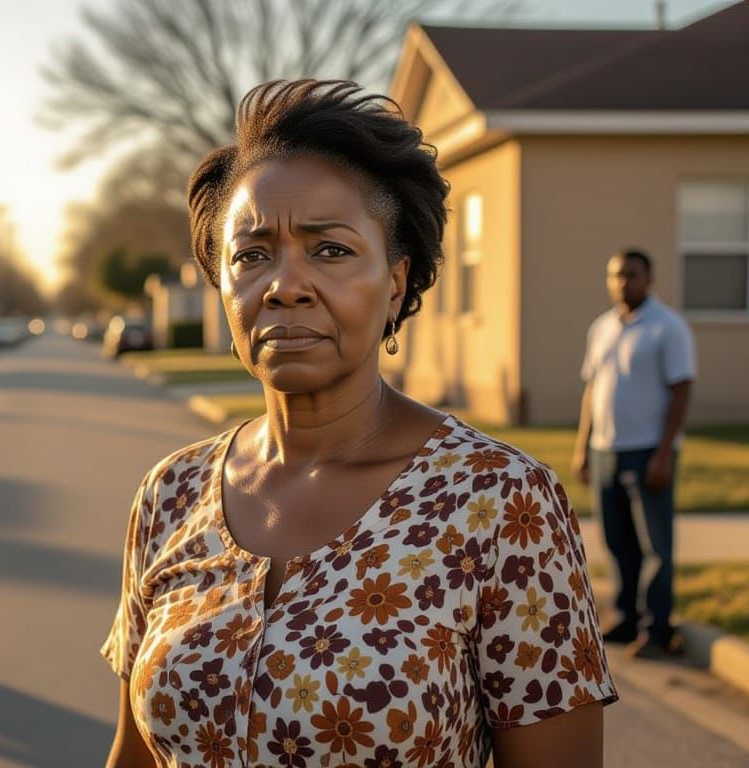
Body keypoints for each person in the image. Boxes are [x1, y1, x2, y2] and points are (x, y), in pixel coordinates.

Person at [103, 80, 616, 768]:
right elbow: (134, 756)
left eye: (330, 250)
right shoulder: (170, 493)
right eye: (250, 255)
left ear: (397, 283)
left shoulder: (501, 503)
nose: (285, 283)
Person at [572, 248, 695, 659]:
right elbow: (592, 389)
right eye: (616, 275)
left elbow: (681, 391)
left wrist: (664, 453)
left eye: (632, 274)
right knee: (616, 541)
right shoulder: (602, 327)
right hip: (606, 449)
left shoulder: (667, 327)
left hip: (648, 452)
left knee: (655, 546)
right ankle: (626, 618)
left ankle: (657, 627)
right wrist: (583, 447)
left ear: (649, 278)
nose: (622, 282)